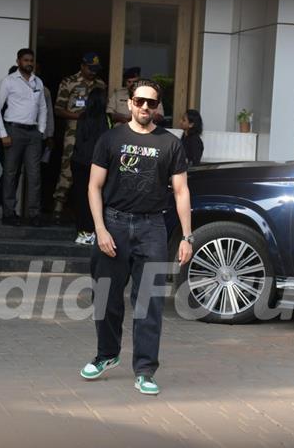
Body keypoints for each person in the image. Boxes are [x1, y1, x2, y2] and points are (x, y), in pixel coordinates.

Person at [81, 79, 193, 396]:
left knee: (149, 304)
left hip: (152, 229)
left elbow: (182, 191)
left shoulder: (170, 143)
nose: (145, 107)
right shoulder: (110, 138)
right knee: (105, 297)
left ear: (158, 108)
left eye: (152, 103)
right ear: (129, 103)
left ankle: (145, 370)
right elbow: (93, 187)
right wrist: (100, 229)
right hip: (113, 225)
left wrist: (187, 236)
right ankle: (107, 354)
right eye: (140, 101)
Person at [0, 48, 51, 227]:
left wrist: (41, 131)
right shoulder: (8, 81)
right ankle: (9, 213)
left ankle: (34, 214)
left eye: (31, 60)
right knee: (11, 173)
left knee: (34, 175)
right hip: (14, 131)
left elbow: (43, 108)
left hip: (33, 133)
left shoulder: (38, 82)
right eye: (25, 60)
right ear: (18, 61)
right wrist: (3, 134)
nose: (29, 63)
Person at [51, 52, 107, 224]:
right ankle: (58, 209)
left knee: (93, 172)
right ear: (82, 66)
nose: (93, 72)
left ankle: (87, 213)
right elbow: (58, 110)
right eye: (90, 69)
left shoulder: (100, 84)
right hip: (74, 134)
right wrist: (80, 117)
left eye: (95, 69)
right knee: (67, 171)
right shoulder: (69, 82)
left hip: (95, 134)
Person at [71, 87, 109, 246]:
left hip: (79, 161)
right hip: (97, 164)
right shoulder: (106, 119)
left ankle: (81, 232)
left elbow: (79, 140)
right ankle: (94, 231)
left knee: (81, 198)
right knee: (97, 197)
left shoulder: (82, 117)